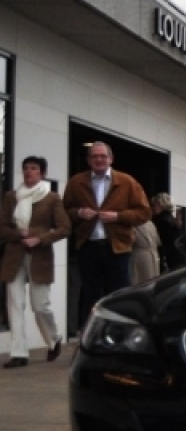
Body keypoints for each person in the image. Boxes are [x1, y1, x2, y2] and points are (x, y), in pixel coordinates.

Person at [62, 141, 152, 329]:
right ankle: (93, 336)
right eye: (94, 156)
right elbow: (64, 211)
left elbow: (144, 212)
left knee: (119, 295)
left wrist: (118, 216)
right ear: (88, 160)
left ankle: (120, 334)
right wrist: (79, 213)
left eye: (103, 156)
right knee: (90, 295)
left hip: (118, 248)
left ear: (111, 159)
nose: (99, 159)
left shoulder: (127, 182)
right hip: (88, 246)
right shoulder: (76, 183)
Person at [0, 156, 71, 367]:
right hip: (14, 255)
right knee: (15, 304)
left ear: (42, 173)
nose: (29, 172)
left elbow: (64, 228)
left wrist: (39, 238)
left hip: (40, 255)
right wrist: (18, 234)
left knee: (40, 305)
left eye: (33, 168)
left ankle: (54, 338)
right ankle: (19, 353)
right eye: (26, 169)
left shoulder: (52, 198)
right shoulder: (11, 197)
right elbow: (2, 227)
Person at [151, 192, 186, 272]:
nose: (153, 208)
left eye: (154, 205)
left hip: (171, 259)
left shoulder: (160, 221)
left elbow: (161, 243)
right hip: (179, 257)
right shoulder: (171, 219)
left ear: (160, 205)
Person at [131, 219, 161, 284]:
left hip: (140, 255)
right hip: (154, 254)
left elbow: (131, 240)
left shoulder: (134, 224)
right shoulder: (150, 223)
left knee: (141, 281)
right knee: (153, 280)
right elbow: (158, 241)